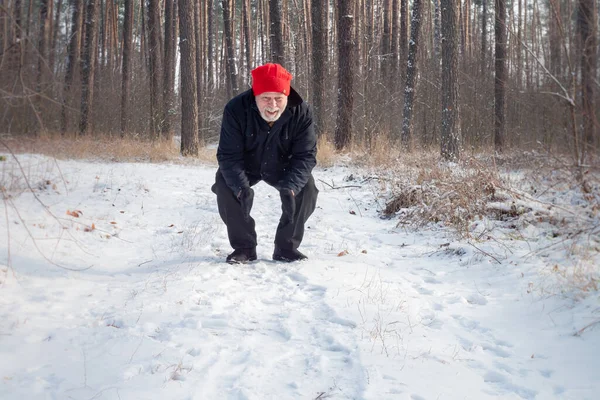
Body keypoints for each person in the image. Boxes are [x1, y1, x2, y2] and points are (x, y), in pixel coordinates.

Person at [212, 63, 318, 264]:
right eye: (266, 98)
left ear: (287, 96)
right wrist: (241, 188)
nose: (273, 105)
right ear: (255, 95)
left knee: (307, 188)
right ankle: (244, 248)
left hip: (282, 166)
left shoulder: (302, 112)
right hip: (246, 165)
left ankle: (286, 248)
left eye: (279, 98)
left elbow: (305, 155)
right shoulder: (235, 109)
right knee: (225, 184)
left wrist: (291, 187)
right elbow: (228, 156)